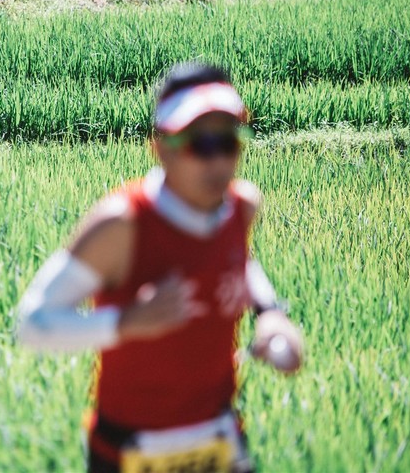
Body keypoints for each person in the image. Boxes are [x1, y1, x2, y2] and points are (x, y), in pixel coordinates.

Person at [16, 61, 304, 473]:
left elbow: (241, 258)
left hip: (221, 440)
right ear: (161, 147)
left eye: (229, 141)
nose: (217, 161)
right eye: (200, 144)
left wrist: (271, 314)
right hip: (130, 450)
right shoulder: (123, 224)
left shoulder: (240, 207)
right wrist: (128, 322)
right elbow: (32, 324)